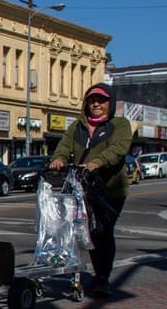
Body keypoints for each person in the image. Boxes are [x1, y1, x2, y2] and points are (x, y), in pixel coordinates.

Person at [48, 82, 133, 297]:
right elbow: (64, 147)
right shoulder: (78, 126)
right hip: (83, 188)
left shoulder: (119, 124)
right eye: (92, 101)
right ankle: (74, 267)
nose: (96, 104)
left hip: (110, 190)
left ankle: (102, 277)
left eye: (101, 101)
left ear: (110, 103)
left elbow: (118, 148)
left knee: (102, 231)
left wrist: (97, 162)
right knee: (83, 231)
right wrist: (58, 159)